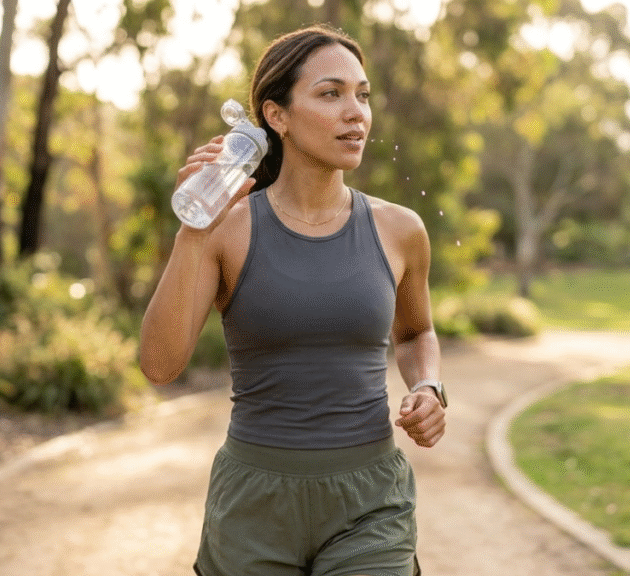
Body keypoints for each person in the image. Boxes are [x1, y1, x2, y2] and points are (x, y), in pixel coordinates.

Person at [139, 23, 446, 576]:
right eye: (331, 94)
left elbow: (415, 332)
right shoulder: (227, 231)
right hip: (253, 504)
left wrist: (427, 384)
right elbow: (161, 366)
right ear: (276, 116)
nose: (356, 113)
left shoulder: (401, 230)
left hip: (370, 502)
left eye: (362, 95)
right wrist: (193, 232)